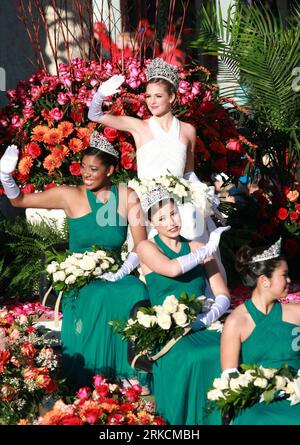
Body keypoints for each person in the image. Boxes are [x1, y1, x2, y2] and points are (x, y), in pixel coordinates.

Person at [0, 136, 149, 389]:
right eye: (83, 167)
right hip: (79, 277)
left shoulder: (127, 196)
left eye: (94, 169)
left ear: (110, 169)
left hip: (116, 273)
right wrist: (5, 176)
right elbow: (19, 201)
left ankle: (130, 371)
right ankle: (89, 375)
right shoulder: (69, 195)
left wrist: (124, 270)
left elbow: (141, 244)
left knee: (137, 290)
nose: (86, 174)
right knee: (96, 295)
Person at [88, 57, 228, 301]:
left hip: (179, 205)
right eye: (148, 96)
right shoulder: (139, 127)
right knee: (149, 252)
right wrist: (101, 93)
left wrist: (202, 195)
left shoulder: (187, 130)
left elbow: (187, 172)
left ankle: (199, 300)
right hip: (147, 205)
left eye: (158, 96)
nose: (151, 101)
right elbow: (95, 115)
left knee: (192, 233)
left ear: (172, 97)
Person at [135, 188, 231, 425]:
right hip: (169, 329)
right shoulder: (146, 248)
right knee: (193, 356)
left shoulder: (197, 246)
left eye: (173, 213)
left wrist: (206, 319)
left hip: (203, 324)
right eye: (161, 218)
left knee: (230, 349)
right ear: (151, 223)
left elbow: (223, 294)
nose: (171, 222)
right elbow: (172, 269)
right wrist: (207, 250)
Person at [220, 239, 300, 425]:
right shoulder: (236, 322)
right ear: (264, 281)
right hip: (259, 402)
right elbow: (229, 375)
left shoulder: (296, 312)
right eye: (284, 275)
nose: (289, 280)